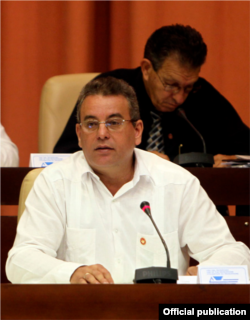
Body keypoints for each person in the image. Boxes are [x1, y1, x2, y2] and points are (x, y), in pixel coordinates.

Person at [6, 77, 250, 284]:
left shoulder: (176, 183)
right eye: (91, 124)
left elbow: (233, 253)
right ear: (79, 135)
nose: (102, 133)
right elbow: (20, 260)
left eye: (114, 123)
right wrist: (71, 273)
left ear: (138, 131)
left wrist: (209, 273)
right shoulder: (54, 183)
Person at [54, 24, 250, 169]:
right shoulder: (110, 92)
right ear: (147, 69)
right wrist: (135, 160)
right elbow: (64, 155)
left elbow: (245, 148)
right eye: (171, 85)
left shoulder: (202, 95)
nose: (180, 98)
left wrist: (233, 161)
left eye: (187, 88)